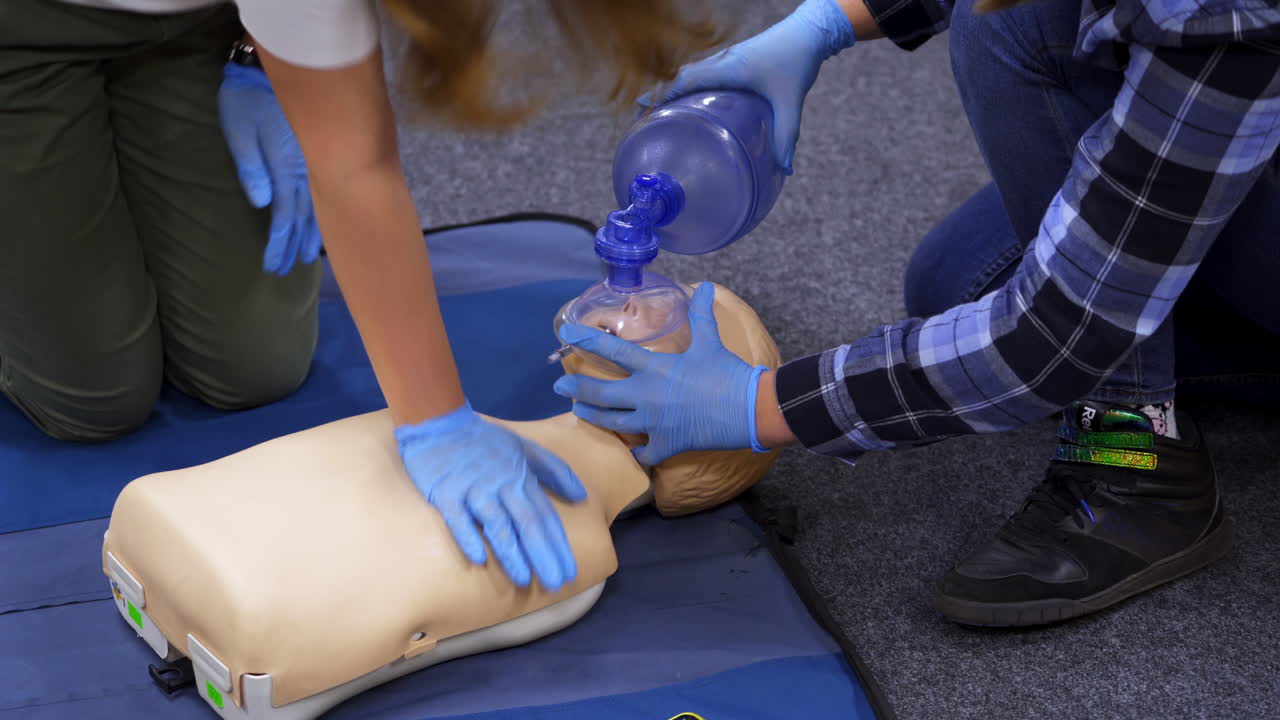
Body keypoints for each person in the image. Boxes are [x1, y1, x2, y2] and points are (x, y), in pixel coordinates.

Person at [552, 0, 1280, 626]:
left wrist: (759, 406)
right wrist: (828, 23)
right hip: (1230, 101)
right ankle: (1153, 279)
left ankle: (1133, 453)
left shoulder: (1231, 17)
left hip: (1241, 71)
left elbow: (1051, 339)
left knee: (1018, 33)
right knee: (959, 286)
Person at [0, 0, 723, 592]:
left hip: (193, 23)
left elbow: (355, 165)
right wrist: (436, 422)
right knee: (94, 398)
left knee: (252, 367)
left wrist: (259, 56)